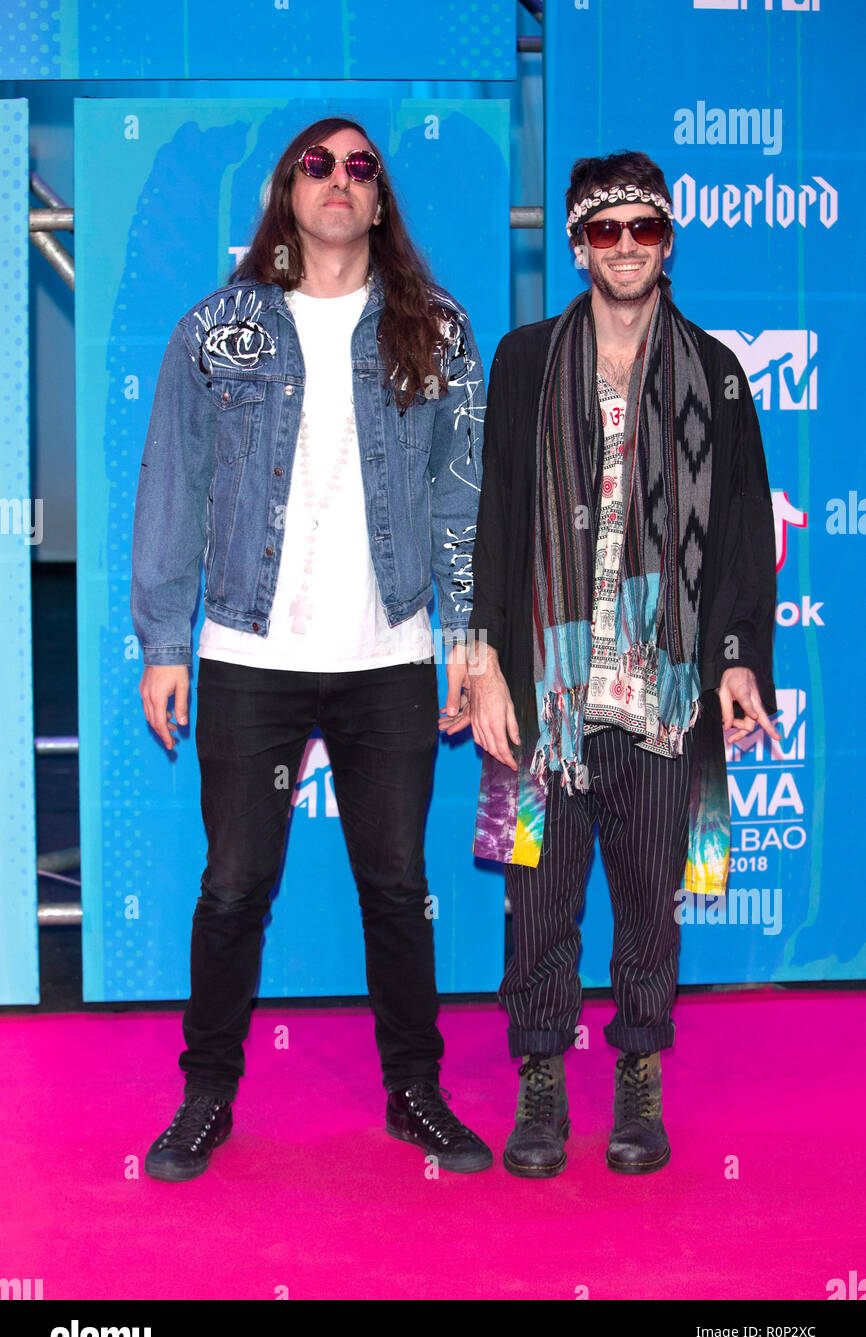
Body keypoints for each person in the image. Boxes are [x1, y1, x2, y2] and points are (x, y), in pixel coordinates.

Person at [131, 116, 491, 1180]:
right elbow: (172, 487)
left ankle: (413, 1092)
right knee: (234, 884)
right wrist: (164, 638)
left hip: (391, 649)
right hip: (249, 650)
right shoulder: (216, 330)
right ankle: (205, 1096)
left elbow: (458, 498)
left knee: (394, 882)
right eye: (317, 164)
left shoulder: (437, 330)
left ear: (380, 201)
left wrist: (466, 637)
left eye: (361, 167)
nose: (339, 179)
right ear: (288, 191)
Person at [464, 150, 779, 1178]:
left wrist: (737, 664)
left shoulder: (717, 375)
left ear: (668, 239)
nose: (627, 247)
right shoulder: (522, 363)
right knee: (536, 901)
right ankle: (541, 1080)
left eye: (644, 228)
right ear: (576, 243)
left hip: (666, 693)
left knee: (651, 899)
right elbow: (495, 523)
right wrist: (487, 667)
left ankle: (637, 1074)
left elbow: (738, 532)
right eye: (605, 231)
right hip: (541, 693)